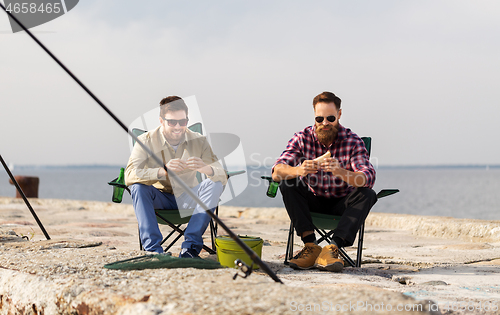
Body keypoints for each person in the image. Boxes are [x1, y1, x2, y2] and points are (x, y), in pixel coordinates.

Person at [272, 91, 377, 272]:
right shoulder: (302, 138)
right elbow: (276, 171)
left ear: (339, 115)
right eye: (319, 119)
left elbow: (368, 177)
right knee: (288, 182)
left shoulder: (352, 141)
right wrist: (299, 170)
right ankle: (310, 246)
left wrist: (342, 172)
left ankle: (333, 248)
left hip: (342, 203)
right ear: (314, 116)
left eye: (330, 118)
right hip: (313, 201)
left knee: (367, 194)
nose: (324, 123)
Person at [125, 96, 227, 258]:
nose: (178, 127)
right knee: (138, 187)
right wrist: (162, 171)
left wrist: (205, 168)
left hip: (188, 198)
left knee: (215, 184)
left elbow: (222, 174)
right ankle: (153, 251)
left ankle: (190, 248)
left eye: (183, 121)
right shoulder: (145, 141)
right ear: (161, 120)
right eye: (172, 122)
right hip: (158, 199)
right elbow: (129, 175)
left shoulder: (199, 141)